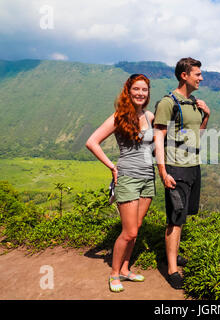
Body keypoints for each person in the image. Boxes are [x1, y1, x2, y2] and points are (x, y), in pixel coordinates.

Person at [85, 74, 155, 293]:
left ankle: (125, 269)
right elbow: (92, 142)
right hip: (128, 178)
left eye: (144, 90)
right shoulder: (119, 116)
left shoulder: (150, 116)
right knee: (129, 232)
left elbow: (154, 146)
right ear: (128, 90)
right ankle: (114, 273)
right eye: (136, 89)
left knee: (138, 228)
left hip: (148, 178)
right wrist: (112, 167)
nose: (140, 93)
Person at [153, 57, 210, 289]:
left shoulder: (194, 102)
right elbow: (158, 139)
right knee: (175, 219)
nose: (201, 78)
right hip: (176, 167)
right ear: (184, 75)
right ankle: (172, 270)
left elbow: (198, 134)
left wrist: (206, 115)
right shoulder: (168, 103)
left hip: (193, 166)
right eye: (197, 74)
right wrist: (163, 172)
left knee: (183, 215)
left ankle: (173, 255)